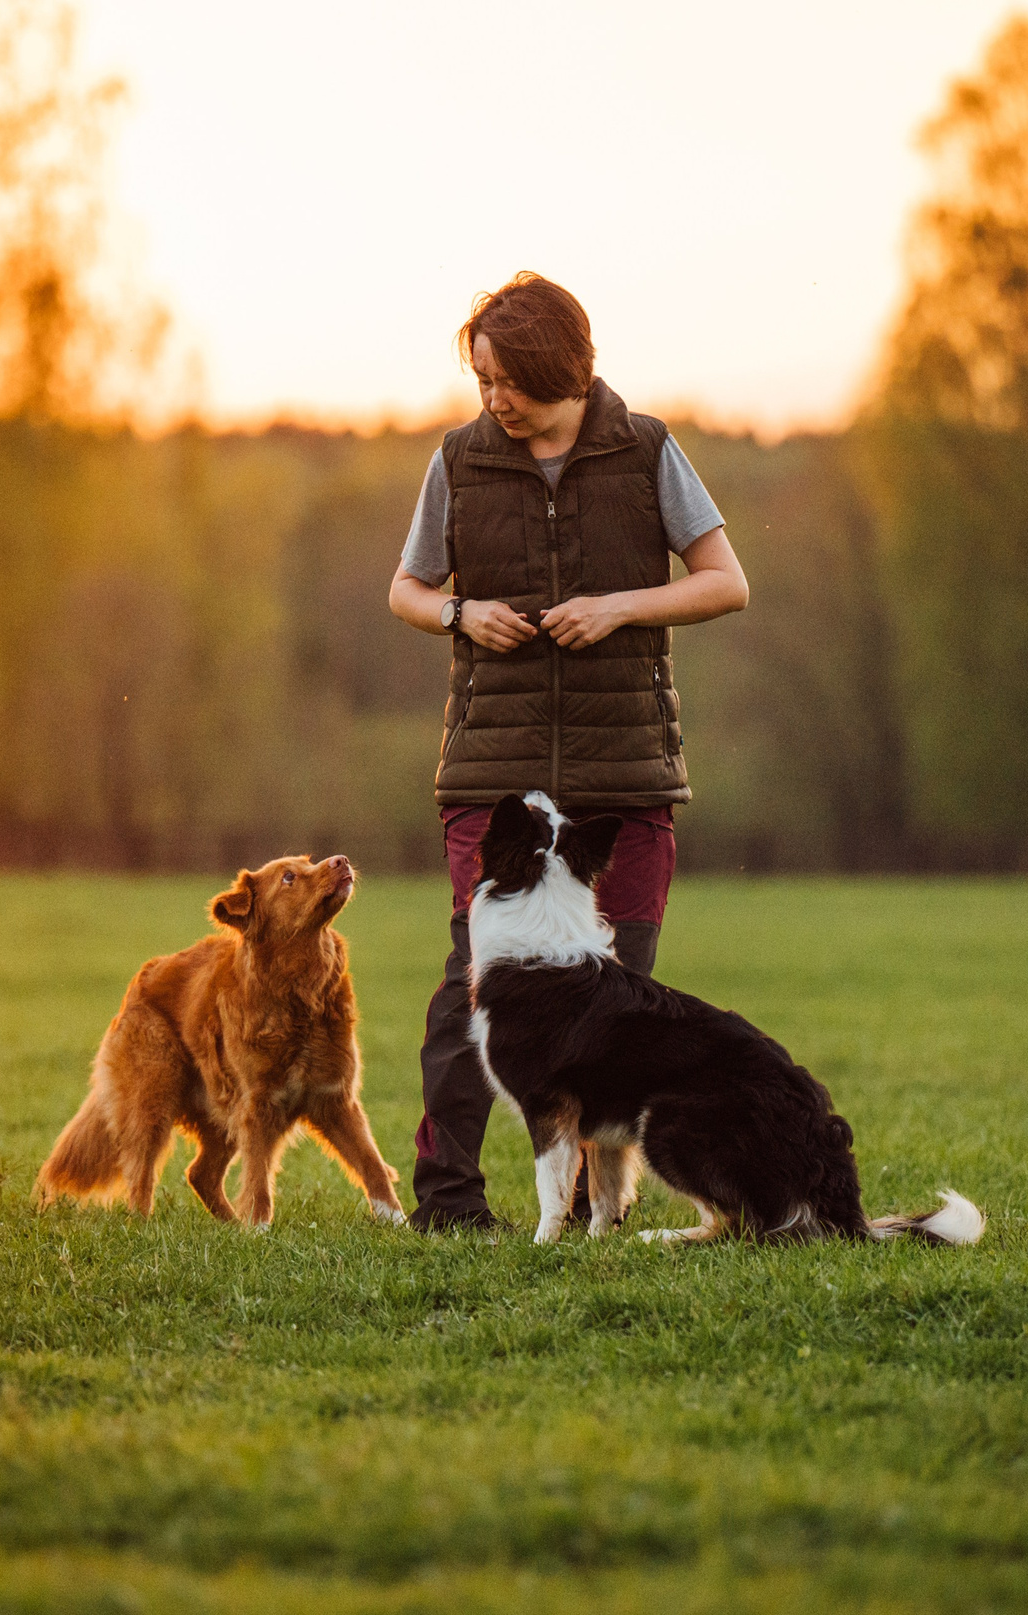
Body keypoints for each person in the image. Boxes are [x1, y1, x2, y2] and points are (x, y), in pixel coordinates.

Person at [386, 272, 750, 1232]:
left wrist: (621, 605)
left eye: (507, 381)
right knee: (474, 980)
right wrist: (462, 613)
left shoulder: (648, 451)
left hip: (622, 774)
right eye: (481, 381)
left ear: (564, 370)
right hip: (491, 776)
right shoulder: (459, 461)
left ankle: (597, 1207)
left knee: (616, 995)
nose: (492, 400)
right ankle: (450, 1200)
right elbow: (407, 590)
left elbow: (725, 581)